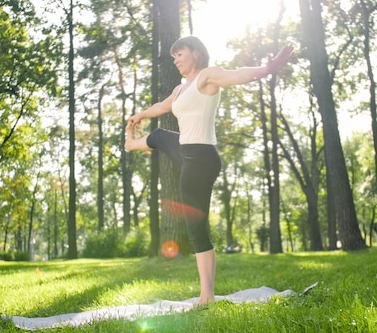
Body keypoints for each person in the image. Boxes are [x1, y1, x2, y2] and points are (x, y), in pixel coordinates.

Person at [125, 36, 293, 305]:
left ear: (195, 53)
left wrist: (266, 70)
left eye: (180, 54)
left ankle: (207, 295)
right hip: (186, 149)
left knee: (196, 227)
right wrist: (140, 115)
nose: (176, 60)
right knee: (158, 135)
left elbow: (236, 75)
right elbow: (163, 106)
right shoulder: (181, 89)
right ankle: (132, 144)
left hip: (201, 158)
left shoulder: (207, 77)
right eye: (173, 57)